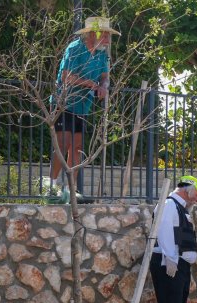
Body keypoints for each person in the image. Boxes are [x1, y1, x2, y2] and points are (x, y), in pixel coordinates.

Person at [49, 16, 119, 201]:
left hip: (83, 105)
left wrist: (103, 85)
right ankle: (51, 186)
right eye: (105, 34)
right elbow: (65, 77)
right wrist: (90, 84)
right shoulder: (75, 48)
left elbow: (104, 75)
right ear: (92, 34)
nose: (108, 39)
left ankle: (71, 190)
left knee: (77, 147)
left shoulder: (103, 54)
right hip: (64, 102)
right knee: (63, 143)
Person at [150, 175, 197, 303]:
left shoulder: (181, 208)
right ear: (187, 189)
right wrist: (170, 259)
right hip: (169, 262)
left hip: (179, 264)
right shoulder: (170, 205)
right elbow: (164, 232)